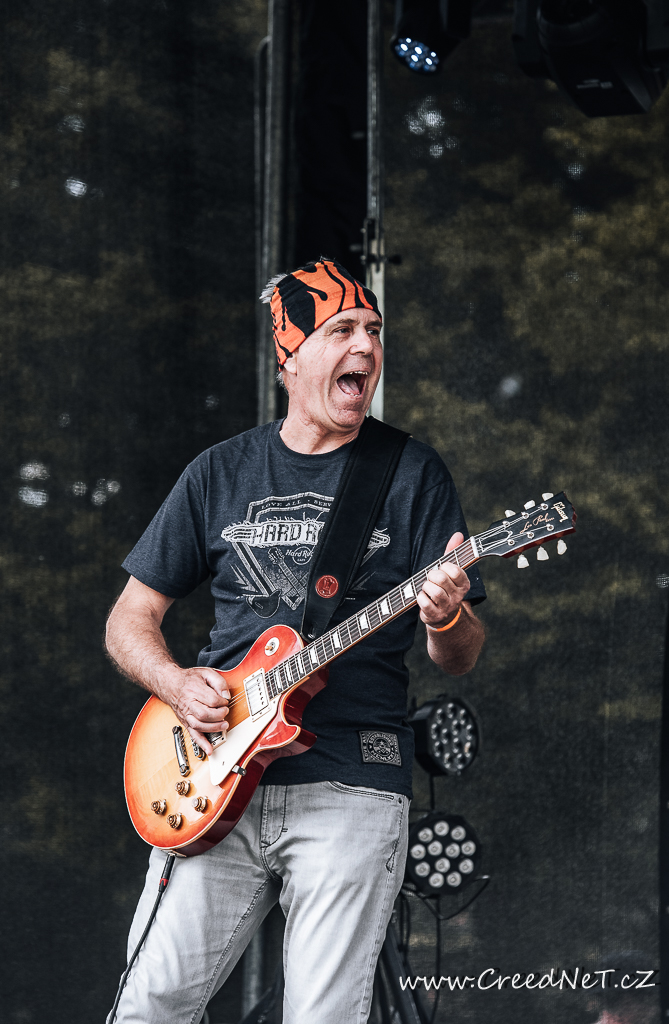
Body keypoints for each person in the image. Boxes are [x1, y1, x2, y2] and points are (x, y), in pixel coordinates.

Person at [105, 258, 486, 1024]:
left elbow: (461, 654)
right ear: (290, 356)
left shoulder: (410, 472)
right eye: (342, 329)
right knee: (149, 1007)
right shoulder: (220, 472)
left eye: (374, 330)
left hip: (353, 783)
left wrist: (446, 614)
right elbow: (128, 619)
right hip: (211, 776)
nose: (366, 347)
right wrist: (176, 683)